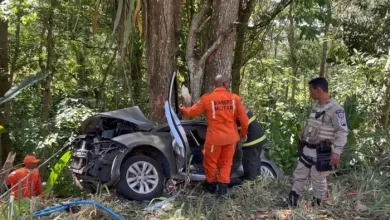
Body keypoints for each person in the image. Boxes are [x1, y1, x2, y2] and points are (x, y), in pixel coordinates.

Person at [180, 74, 249, 196]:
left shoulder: (207, 99)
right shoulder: (235, 99)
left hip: (214, 139)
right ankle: (222, 190)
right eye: (228, 82)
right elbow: (244, 121)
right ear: (224, 84)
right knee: (226, 163)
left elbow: (193, 112)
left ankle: (211, 187)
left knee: (211, 162)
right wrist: (243, 134)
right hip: (231, 138)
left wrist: (182, 110)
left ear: (215, 84)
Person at [285, 77, 348, 207]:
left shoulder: (336, 109)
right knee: (299, 174)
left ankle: (319, 205)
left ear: (319, 90)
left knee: (318, 178)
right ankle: (292, 201)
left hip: (323, 152)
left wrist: (337, 152)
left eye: (311, 91)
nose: (310, 94)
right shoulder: (316, 106)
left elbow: (342, 132)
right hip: (308, 148)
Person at [236, 107, 266, 182]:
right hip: (259, 139)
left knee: (249, 161)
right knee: (256, 160)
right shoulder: (243, 109)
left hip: (252, 142)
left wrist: (239, 142)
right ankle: (257, 179)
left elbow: (242, 130)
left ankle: (250, 181)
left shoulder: (238, 114)